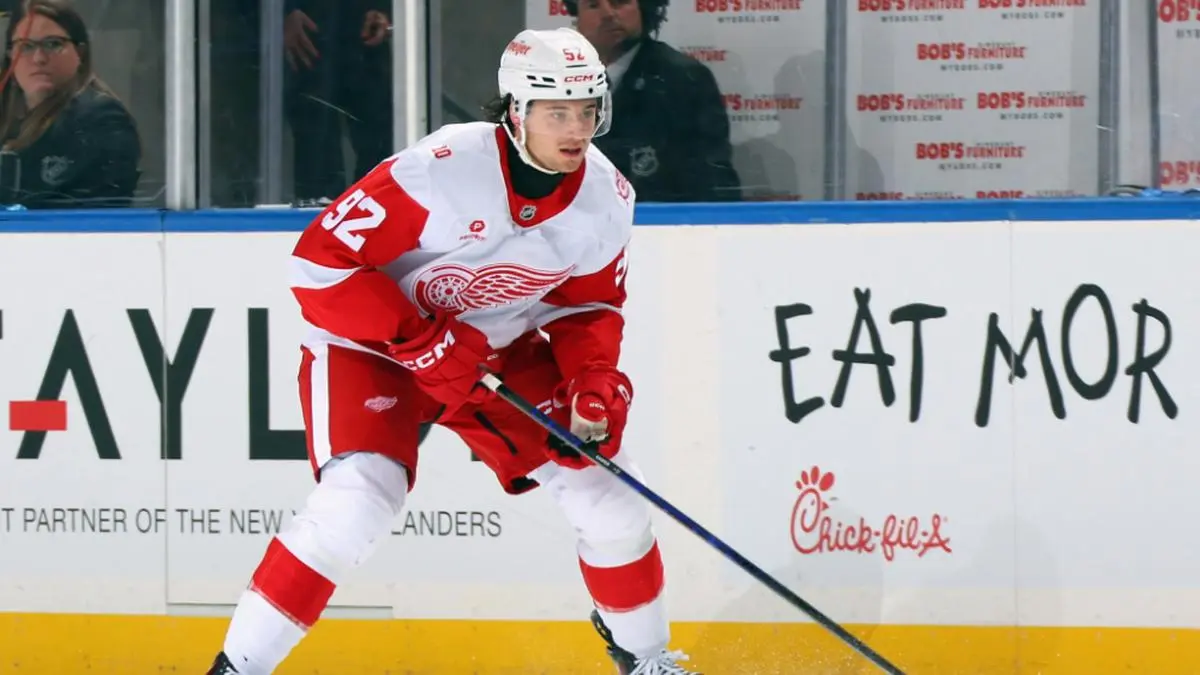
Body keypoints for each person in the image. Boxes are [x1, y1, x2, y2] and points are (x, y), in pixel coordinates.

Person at [206, 27, 699, 675]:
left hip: (493, 350)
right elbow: (319, 265)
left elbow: (588, 308)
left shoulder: (605, 198)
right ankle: (236, 668)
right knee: (357, 501)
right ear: (517, 111)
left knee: (609, 496)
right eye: (558, 112)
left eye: (588, 111)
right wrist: (417, 338)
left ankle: (646, 658)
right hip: (374, 347)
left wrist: (592, 380)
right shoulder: (440, 171)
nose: (577, 129)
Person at [565, 0, 740, 202]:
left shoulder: (684, 78)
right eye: (593, 5)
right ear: (577, 18)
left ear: (644, 6)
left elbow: (714, 181)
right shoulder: (559, 78)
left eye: (618, 2)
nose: (608, 14)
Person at [0, 0, 140, 208]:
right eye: (25, 47)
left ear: (80, 53)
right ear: (10, 56)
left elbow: (95, 214)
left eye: (53, 44)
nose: (39, 58)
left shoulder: (101, 119)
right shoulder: (7, 118)